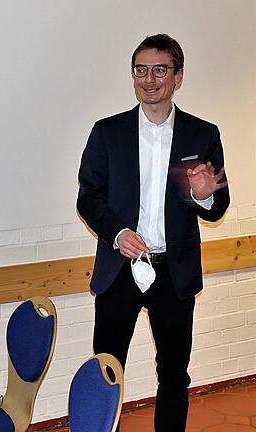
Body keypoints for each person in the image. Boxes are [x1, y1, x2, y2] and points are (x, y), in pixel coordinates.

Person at [77, 34, 229, 431]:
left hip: (174, 274)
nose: (149, 79)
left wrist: (203, 197)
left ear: (177, 76)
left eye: (159, 69)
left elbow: (219, 206)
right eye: (141, 70)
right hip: (119, 270)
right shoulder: (107, 132)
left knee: (175, 377)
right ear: (133, 76)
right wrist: (116, 232)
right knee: (105, 374)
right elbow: (88, 197)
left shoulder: (203, 135)